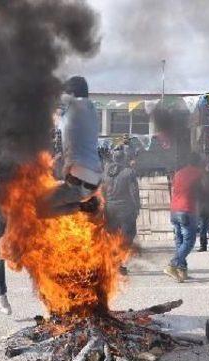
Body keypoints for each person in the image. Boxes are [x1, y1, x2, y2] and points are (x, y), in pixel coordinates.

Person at [39, 76, 102, 217]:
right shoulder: (91, 110)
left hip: (80, 183)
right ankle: (85, 205)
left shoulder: (75, 109)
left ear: (72, 95)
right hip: (92, 181)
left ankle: (84, 205)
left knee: (36, 206)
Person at [164, 152, 203, 282]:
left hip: (174, 210)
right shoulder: (199, 173)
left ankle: (182, 271)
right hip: (187, 210)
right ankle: (172, 264)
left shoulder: (179, 173)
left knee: (180, 241)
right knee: (189, 241)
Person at [102, 149, 141, 275]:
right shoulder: (129, 172)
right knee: (127, 236)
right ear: (123, 159)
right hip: (125, 209)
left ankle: (112, 262)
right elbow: (134, 192)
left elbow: (102, 191)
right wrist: (137, 207)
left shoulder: (105, 173)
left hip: (109, 208)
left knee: (112, 236)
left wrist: (103, 206)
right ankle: (117, 263)